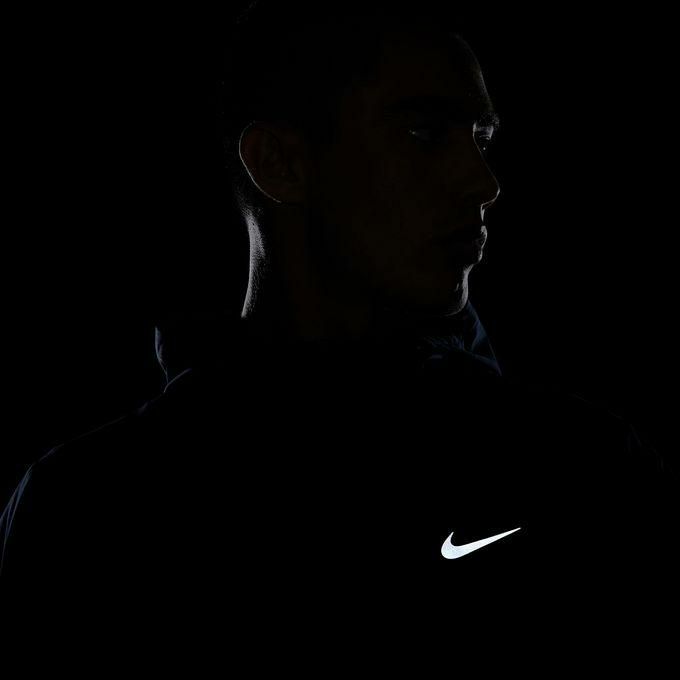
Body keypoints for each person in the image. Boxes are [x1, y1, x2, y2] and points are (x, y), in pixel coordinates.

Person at [1, 0, 676, 666]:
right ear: (279, 162)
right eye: (424, 132)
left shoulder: (578, 467)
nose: (483, 182)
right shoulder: (90, 506)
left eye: (481, 139)